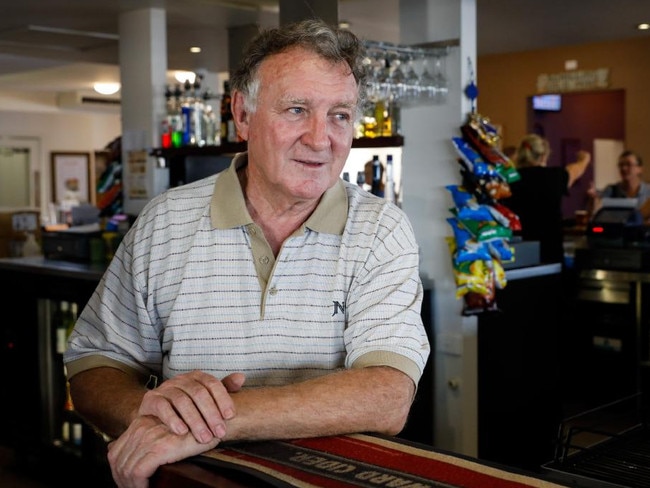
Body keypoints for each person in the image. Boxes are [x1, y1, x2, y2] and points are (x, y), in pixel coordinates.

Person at [63, 19, 430, 488]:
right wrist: (147, 410)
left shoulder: (381, 230)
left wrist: (201, 421)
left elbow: (387, 396)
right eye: (297, 110)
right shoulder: (165, 222)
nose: (322, 139)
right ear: (242, 114)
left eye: (340, 114)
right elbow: (95, 365)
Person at [501, 133, 591, 264]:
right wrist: (584, 160)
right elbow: (574, 170)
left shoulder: (508, 180)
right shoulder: (554, 177)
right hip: (550, 255)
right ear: (543, 157)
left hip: (517, 256)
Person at [588, 150, 650, 219]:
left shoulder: (648, 191)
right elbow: (596, 214)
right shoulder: (611, 190)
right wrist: (593, 200)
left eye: (628, 164)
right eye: (621, 165)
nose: (623, 168)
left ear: (640, 169)